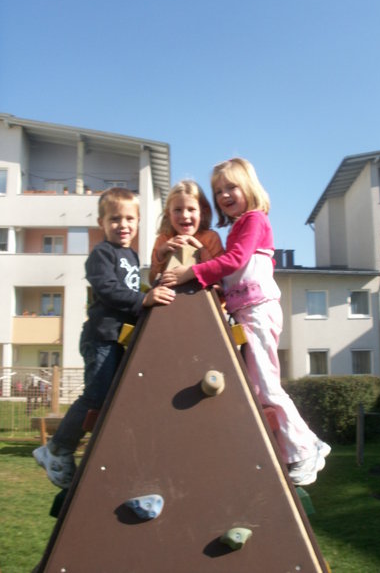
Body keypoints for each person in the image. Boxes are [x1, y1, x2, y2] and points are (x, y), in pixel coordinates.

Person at [161, 158, 331, 486]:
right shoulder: (238, 226)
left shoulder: (254, 220)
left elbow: (236, 260)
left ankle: (306, 448)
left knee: (267, 385)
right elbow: (230, 275)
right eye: (218, 191)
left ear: (249, 188)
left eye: (231, 187)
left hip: (259, 310)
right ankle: (279, 451)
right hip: (244, 313)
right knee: (253, 387)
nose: (224, 194)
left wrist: (192, 271)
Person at [33, 187, 176, 488]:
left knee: (117, 397)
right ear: (101, 222)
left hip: (119, 338)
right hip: (101, 337)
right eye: (114, 219)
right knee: (96, 396)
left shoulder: (131, 254)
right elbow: (109, 290)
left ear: (137, 222)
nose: (122, 225)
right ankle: (56, 449)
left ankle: (105, 453)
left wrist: (153, 293)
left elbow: (131, 292)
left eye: (128, 218)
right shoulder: (101, 254)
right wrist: (143, 300)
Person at [149, 180, 224, 285]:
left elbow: (220, 277)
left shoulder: (210, 238)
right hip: (173, 298)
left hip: (202, 298)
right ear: (168, 214)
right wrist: (160, 255)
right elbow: (152, 280)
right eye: (178, 210)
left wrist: (201, 249)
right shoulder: (164, 240)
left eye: (191, 209)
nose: (184, 215)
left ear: (202, 213)